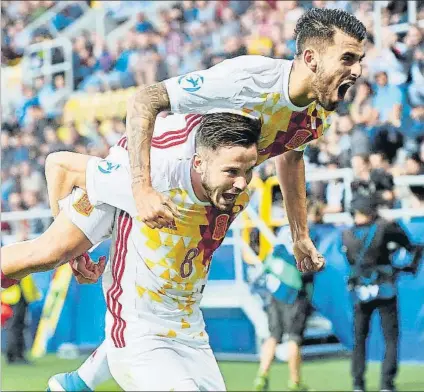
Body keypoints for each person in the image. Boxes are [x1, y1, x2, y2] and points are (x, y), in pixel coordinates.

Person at [3, 112, 261, 391]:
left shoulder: (235, 196)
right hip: (139, 331)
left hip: (190, 332)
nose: (242, 183)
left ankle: (76, 383)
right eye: (232, 172)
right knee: (46, 253)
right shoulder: (150, 182)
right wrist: (69, 246)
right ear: (197, 162)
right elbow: (60, 165)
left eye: (248, 171)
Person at [124, 8, 367, 274]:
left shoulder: (318, 115)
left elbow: (291, 157)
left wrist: (300, 234)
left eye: (359, 60)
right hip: (150, 169)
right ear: (311, 58)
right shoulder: (249, 78)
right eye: (347, 59)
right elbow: (145, 99)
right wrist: (141, 187)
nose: (357, 71)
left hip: (197, 202)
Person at [342, 194, 423, 392]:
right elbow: (411, 245)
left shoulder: (347, 235)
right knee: (390, 337)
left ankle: (358, 383)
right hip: (385, 287)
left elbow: (350, 261)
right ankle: (386, 384)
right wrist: (407, 267)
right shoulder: (384, 227)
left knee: (359, 338)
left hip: (360, 289)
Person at [253, 200, 325, 391]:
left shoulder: (285, 230)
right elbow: (311, 266)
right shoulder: (309, 234)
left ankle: (261, 375)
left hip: (276, 288)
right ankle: (294, 382)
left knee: (273, 335)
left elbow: (274, 255)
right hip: (294, 292)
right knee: (293, 337)